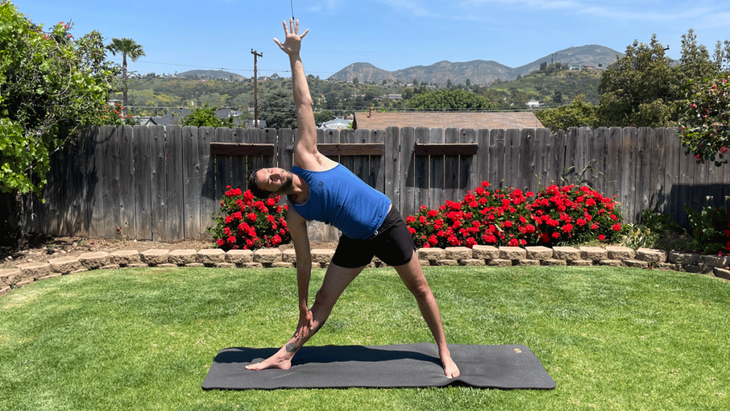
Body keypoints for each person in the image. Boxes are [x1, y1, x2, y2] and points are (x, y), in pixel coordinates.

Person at [245, 19, 460, 378]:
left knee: (420, 288)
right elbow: (303, 261)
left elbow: (304, 105)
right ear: (272, 192)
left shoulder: (307, 156)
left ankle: (444, 352)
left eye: (271, 171)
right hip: (357, 240)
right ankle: (285, 354)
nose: (275, 175)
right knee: (321, 304)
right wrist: (301, 303)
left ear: (277, 167)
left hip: (386, 223)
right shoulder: (294, 213)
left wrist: (295, 58)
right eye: (270, 182)